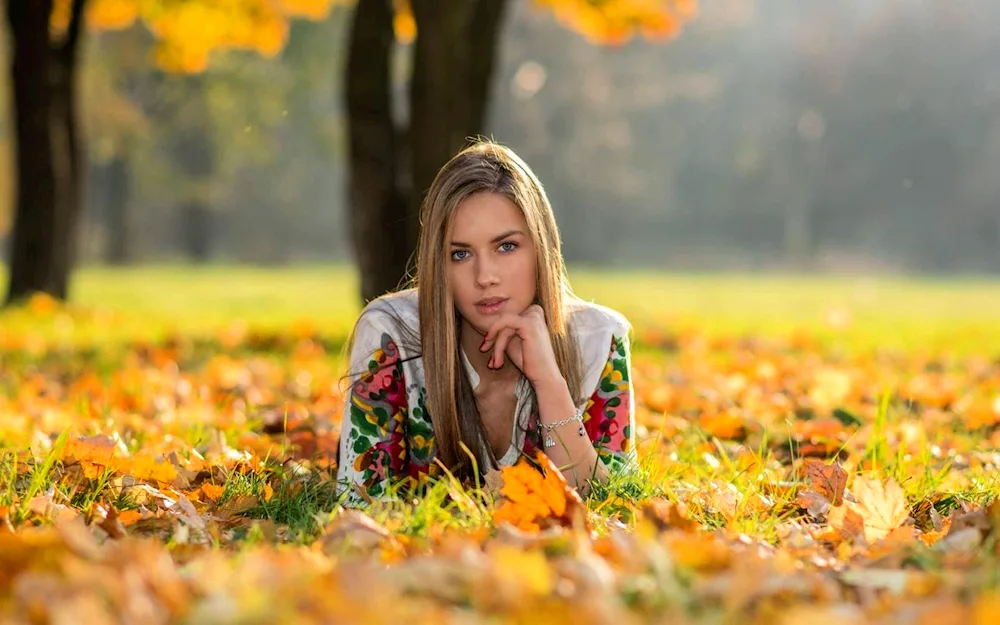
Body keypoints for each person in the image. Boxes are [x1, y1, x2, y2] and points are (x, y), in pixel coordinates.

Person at [335, 140, 636, 506]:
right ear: (438, 265)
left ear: (541, 248)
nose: (485, 276)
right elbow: (359, 505)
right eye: (460, 254)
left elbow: (609, 506)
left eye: (506, 246)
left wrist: (550, 383)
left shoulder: (599, 340)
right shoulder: (391, 335)